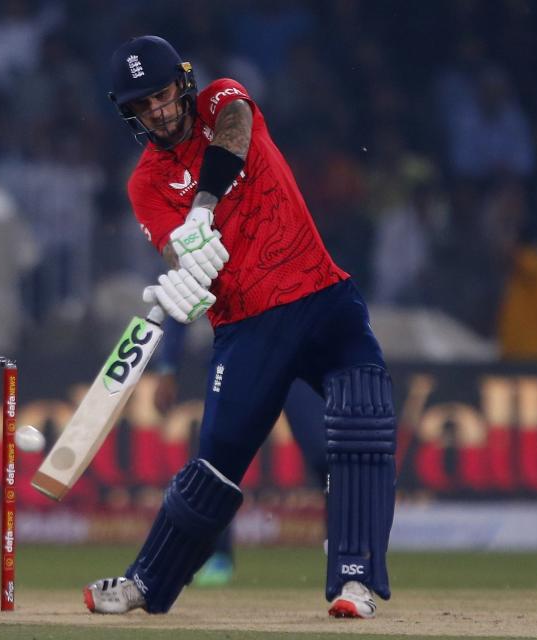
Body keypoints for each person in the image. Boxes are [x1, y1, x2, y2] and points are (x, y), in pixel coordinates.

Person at [84, 35, 396, 619]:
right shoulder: (144, 185)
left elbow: (234, 134)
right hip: (247, 327)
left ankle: (355, 582)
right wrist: (182, 268)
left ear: (182, 82)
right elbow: (179, 255)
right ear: (128, 113)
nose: (156, 110)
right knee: (215, 468)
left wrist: (201, 208)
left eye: (161, 94)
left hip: (322, 296)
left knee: (364, 424)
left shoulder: (223, 100)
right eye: (141, 105)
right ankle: (146, 583)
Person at [152, 317, 329, 587]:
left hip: (295, 357)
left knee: (326, 455)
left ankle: (344, 552)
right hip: (239, 359)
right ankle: (217, 555)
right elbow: (180, 304)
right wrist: (167, 368)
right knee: (218, 461)